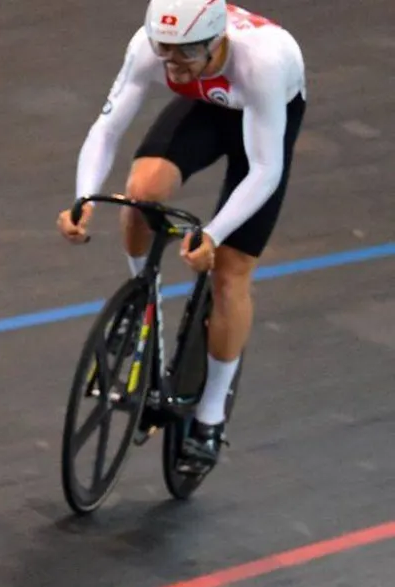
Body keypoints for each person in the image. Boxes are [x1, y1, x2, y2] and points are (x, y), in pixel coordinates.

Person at [56, 0, 305, 470]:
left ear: (217, 42)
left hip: (266, 116)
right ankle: (139, 300)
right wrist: (83, 198)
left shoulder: (263, 63)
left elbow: (266, 170)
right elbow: (107, 129)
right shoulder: (155, 50)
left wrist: (213, 233)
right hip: (209, 106)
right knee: (140, 193)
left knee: (230, 272)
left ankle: (210, 417)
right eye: (164, 52)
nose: (172, 64)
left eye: (184, 54)